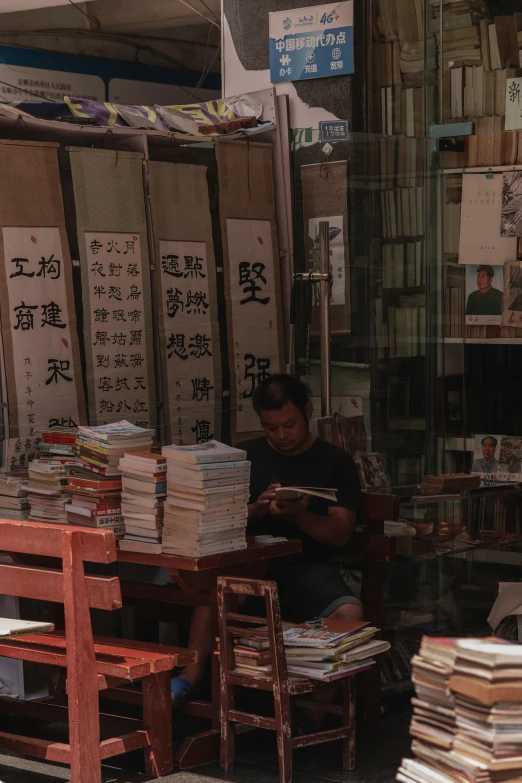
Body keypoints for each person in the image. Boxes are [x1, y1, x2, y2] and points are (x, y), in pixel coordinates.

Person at [170, 374, 363, 705]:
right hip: (249, 563)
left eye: (289, 424)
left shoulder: (336, 461)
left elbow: (341, 533)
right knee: (208, 590)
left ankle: (311, 712)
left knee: (350, 615)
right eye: (271, 427)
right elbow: (217, 518)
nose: (282, 435)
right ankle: (190, 681)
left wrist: (301, 516)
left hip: (306, 568)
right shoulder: (245, 455)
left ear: (308, 411)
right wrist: (257, 510)